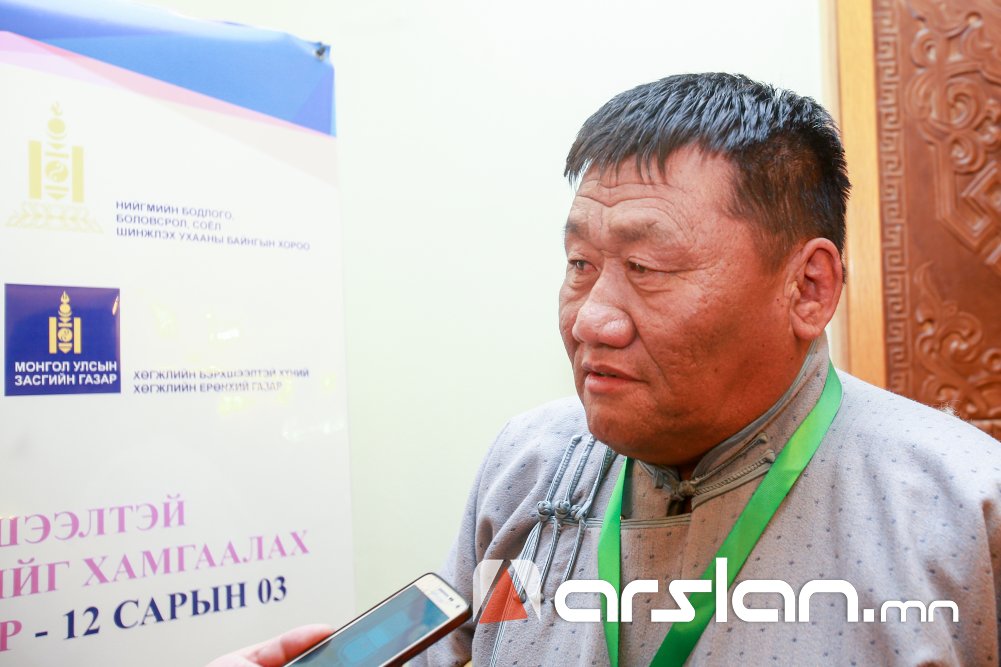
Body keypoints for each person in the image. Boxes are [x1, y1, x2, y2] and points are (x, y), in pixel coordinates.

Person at [214, 72, 1001, 666]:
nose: (590, 318)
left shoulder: (962, 507)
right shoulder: (525, 464)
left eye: (646, 266)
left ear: (807, 287)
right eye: (579, 263)